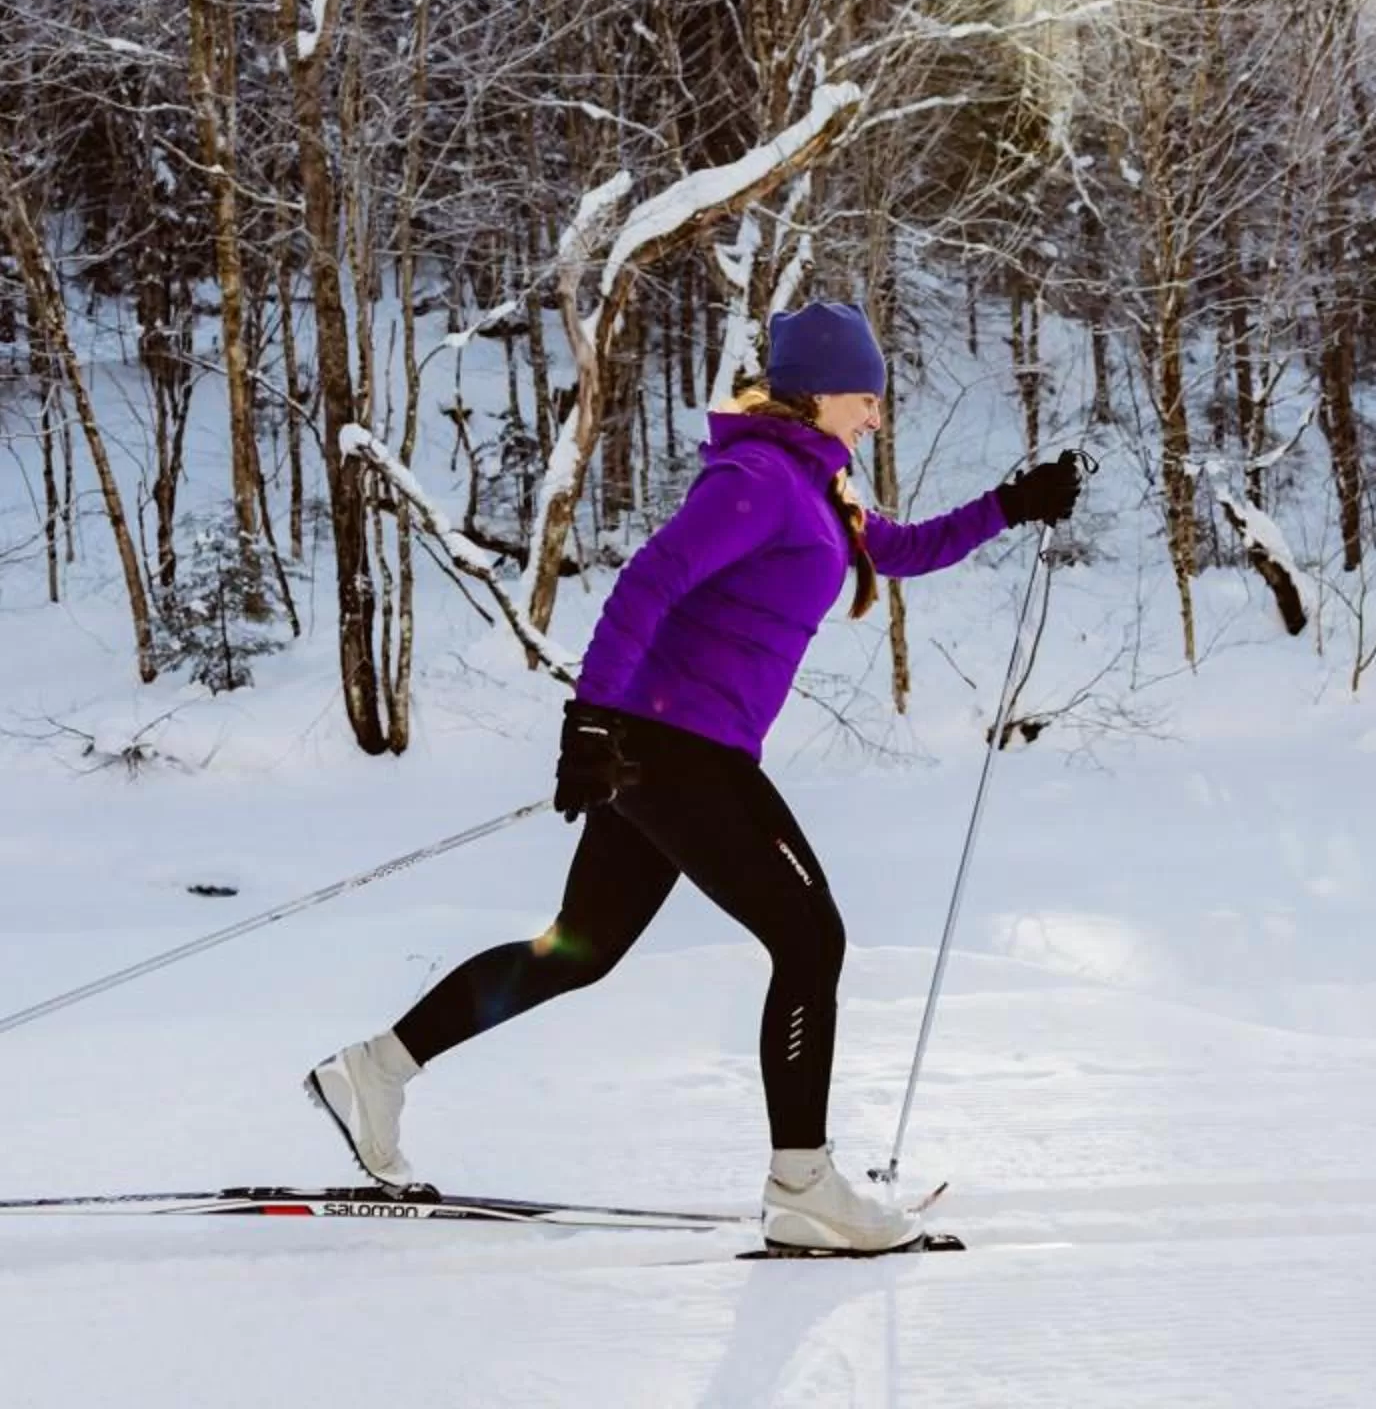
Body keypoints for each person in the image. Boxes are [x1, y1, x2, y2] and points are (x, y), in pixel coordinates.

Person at [306, 301, 1084, 1253]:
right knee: (810, 940)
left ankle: (375, 1070)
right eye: (866, 397)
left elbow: (900, 548)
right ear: (819, 391)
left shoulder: (815, 488)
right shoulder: (758, 478)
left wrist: (1013, 504)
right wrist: (590, 721)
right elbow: (650, 581)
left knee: (577, 950)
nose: (877, 415)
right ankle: (802, 1184)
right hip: (677, 748)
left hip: (669, 748)